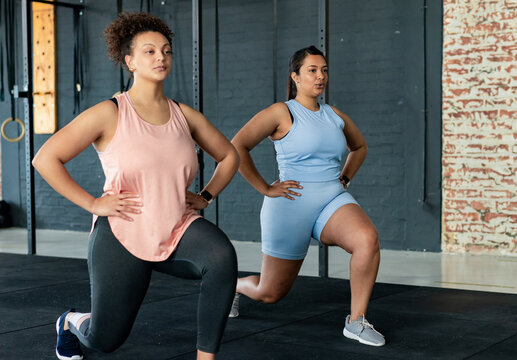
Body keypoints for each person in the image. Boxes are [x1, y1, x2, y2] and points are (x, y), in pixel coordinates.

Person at [33, 12, 239, 360]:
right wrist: (93, 204)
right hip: (122, 233)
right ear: (129, 61)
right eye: (149, 51)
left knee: (222, 258)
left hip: (176, 226)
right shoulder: (110, 112)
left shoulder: (183, 115)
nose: (161, 57)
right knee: (105, 340)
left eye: (166, 50)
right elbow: (45, 158)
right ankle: (70, 322)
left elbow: (229, 156)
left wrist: (205, 196)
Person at [230, 45, 385, 347]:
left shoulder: (334, 115)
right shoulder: (282, 112)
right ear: (295, 76)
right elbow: (237, 146)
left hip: (331, 200)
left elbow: (360, 147)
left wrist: (346, 177)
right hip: (290, 205)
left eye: (324, 70)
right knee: (270, 293)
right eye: (312, 70)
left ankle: (356, 321)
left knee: (367, 239)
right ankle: (232, 287)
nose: (320, 76)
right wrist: (265, 187)